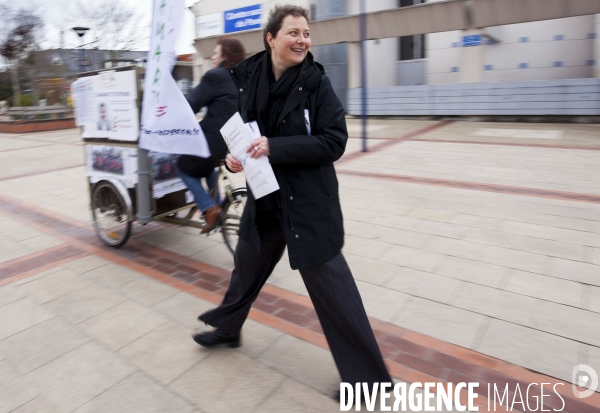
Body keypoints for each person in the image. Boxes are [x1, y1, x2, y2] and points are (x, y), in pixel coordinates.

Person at [193, 4, 392, 396]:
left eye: (305, 33)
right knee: (246, 267)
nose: (302, 40)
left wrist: (275, 147)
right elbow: (247, 134)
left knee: (334, 291)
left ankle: (370, 382)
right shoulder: (250, 78)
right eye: (293, 33)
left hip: (308, 205)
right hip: (266, 197)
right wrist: (235, 158)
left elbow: (334, 141)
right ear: (271, 39)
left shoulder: (317, 84)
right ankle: (228, 328)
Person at [176, 36, 246, 233]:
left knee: (182, 167)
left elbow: (191, 105)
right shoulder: (242, 78)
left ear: (225, 55)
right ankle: (216, 209)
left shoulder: (214, 76)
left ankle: (209, 208)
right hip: (231, 142)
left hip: (211, 140)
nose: (213, 57)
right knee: (206, 167)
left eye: (216, 53)